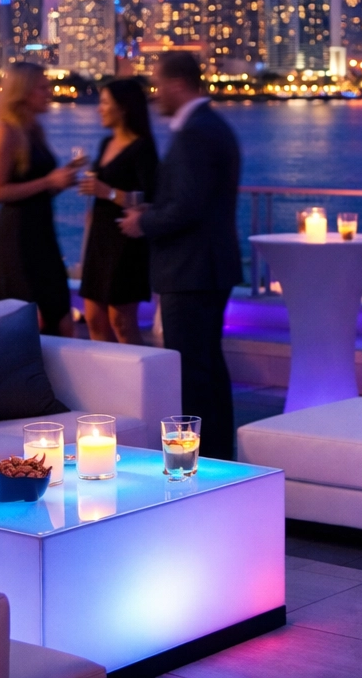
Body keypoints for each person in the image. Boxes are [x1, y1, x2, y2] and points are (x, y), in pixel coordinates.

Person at [118, 52, 242, 459]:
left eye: (157, 84)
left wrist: (143, 222)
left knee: (192, 373)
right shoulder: (210, 127)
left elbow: (188, 206)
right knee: (207, 367)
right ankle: (219, 453)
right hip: (205, 267)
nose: (155, 94)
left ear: (176, 83)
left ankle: (200, 459)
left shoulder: (196, 134)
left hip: (191, 270)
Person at [0, 62, 81, 336]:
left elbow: (36, 187)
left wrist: (61, 181)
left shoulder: (34, 131)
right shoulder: (7, 131)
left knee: (62, 318)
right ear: (24, 92)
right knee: (32, 324)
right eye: (42, 88)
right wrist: (49, 181)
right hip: (18, 240)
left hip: (43, 236)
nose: (49, 93)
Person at [79, 77, 159, 344]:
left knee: (121, 321)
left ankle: (138, 381)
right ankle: (106, 380)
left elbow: (151, 199)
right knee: (93, 316)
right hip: (100, 238)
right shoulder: (105, 144)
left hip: (126, 241)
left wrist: (108, 192)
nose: (99, 109)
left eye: (104, 103)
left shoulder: (142, 148)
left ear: (123, 107)